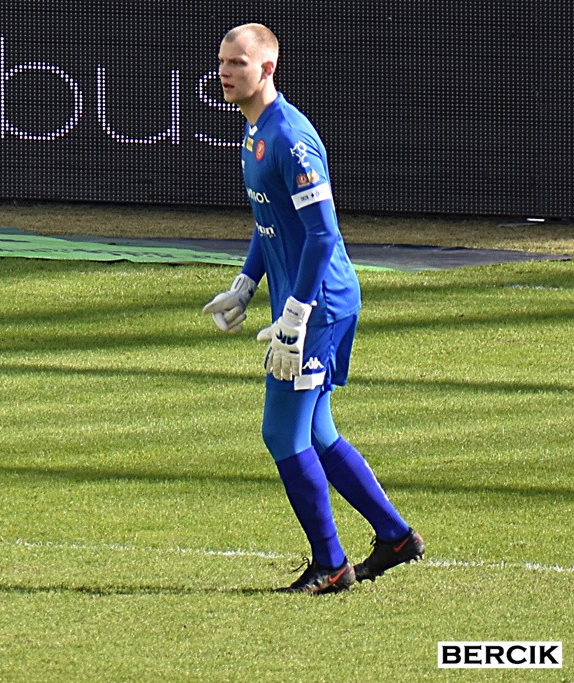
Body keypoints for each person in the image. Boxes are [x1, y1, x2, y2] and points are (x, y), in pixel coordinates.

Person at [203, 23, 424, 594]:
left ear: (267, 68)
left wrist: (295, 317)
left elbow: (322, 235)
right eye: (222, 61)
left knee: (282, 434)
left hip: (319, 307)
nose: (225, 72)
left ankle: (331, 565)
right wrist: (246, 285)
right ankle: (396, 537)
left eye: (237, 62)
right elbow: (271, 220)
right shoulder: (255, 131)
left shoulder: (290, 139)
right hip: (309, 302)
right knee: (317, 430)